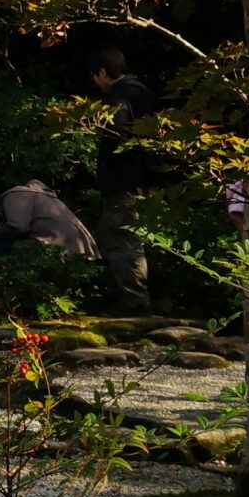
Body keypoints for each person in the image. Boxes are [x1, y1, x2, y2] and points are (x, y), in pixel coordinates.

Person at [90, 48, 159, 313]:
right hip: (147, 178)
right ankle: (131, 296)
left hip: (125, 180)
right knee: (122, 237)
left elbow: (115, 138)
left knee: (122, 239)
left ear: (103, 73)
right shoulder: (144, 94)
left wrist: (108, 165)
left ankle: (135, 301)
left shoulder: (118, 99)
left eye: (95, 76)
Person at [0, 179, 99, 259]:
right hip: (81, 249)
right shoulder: (44, 196)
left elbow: (17, 226)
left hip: (54, 245)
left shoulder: (13, 195)